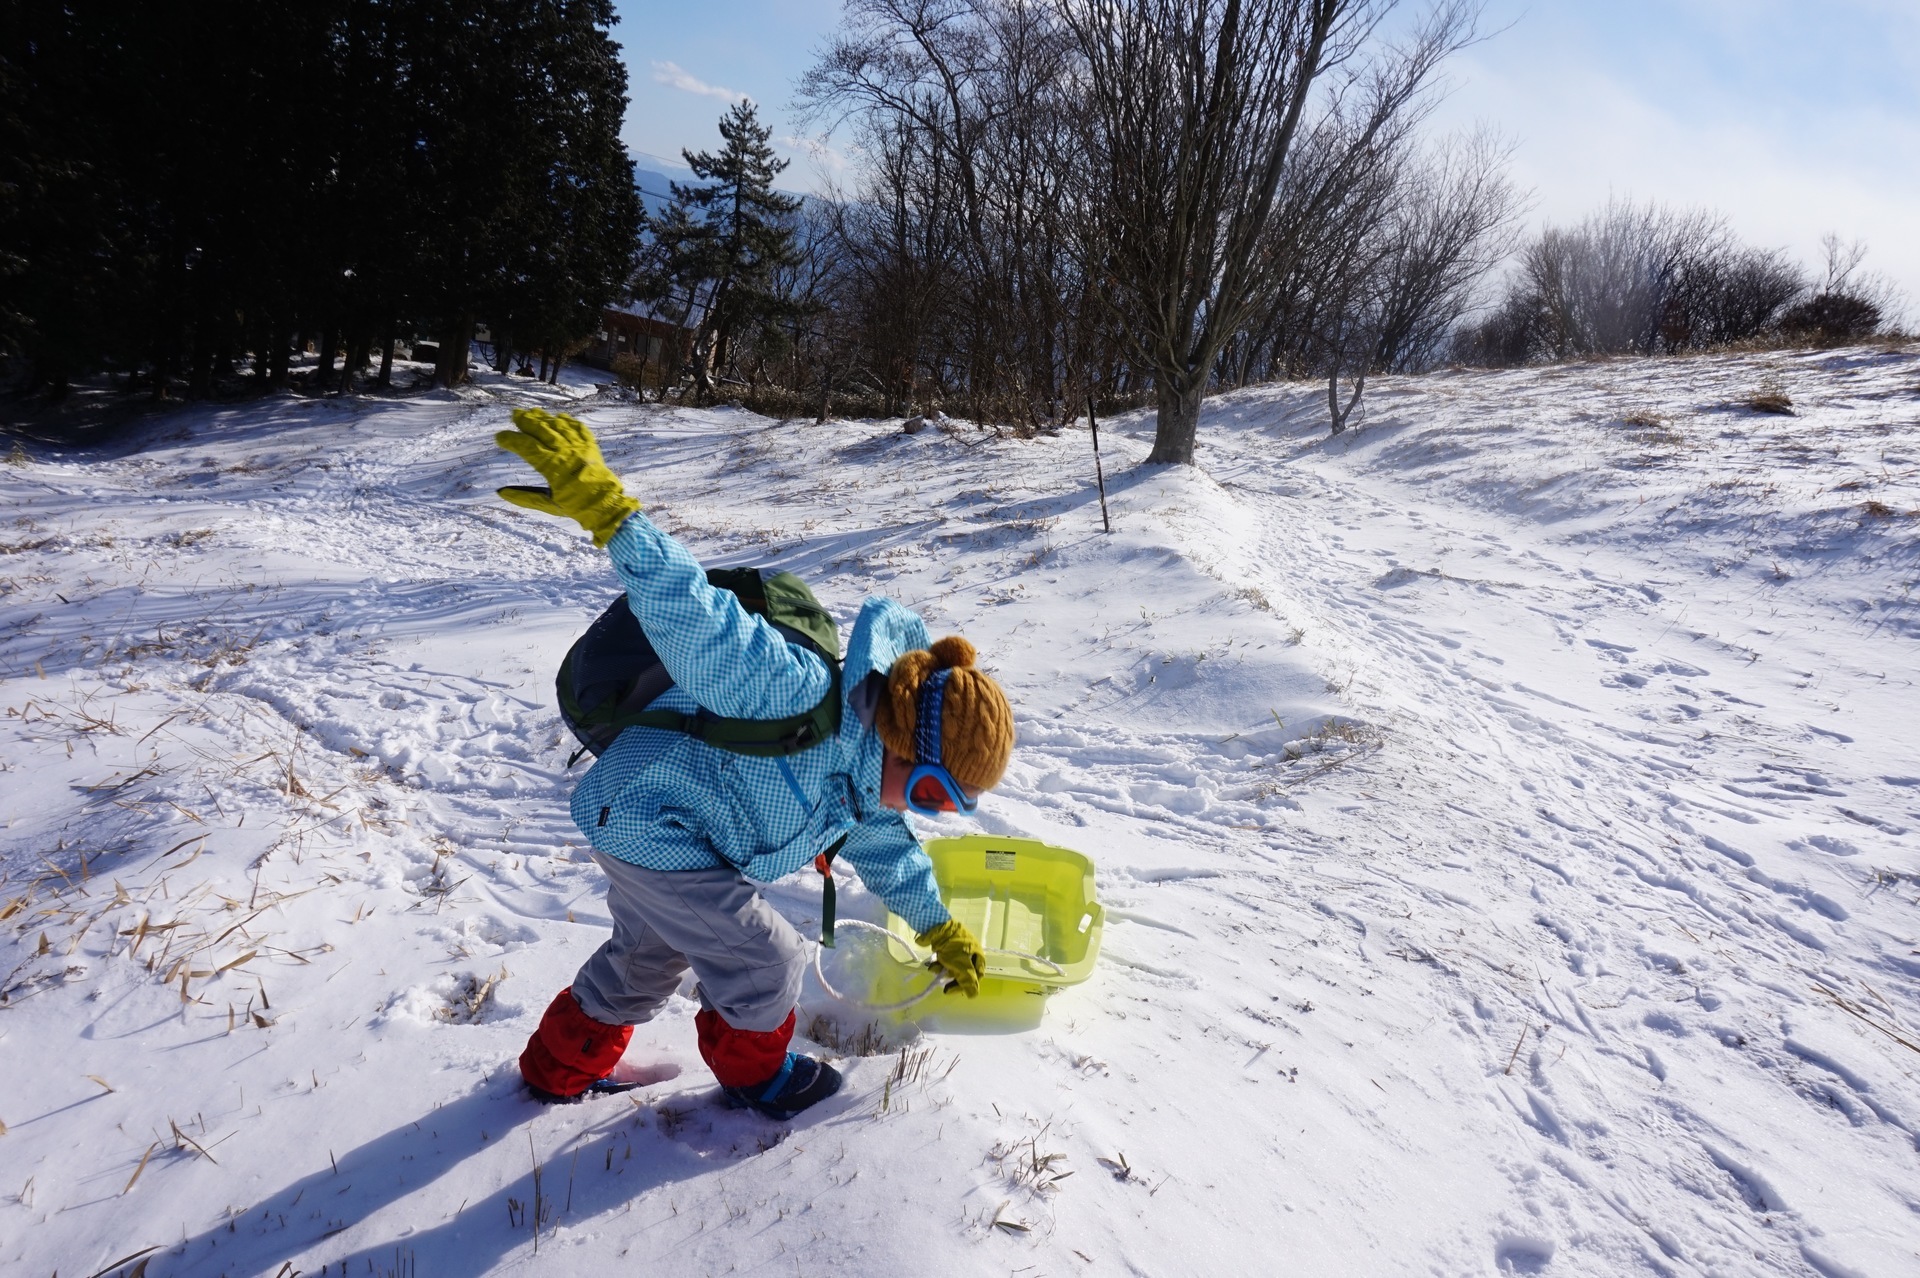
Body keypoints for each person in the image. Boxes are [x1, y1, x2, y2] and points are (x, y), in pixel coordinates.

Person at [494, 409, 1013, 1119]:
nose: (921, 809)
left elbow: (890, 853)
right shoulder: (795, 690)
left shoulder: (862, 785)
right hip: (655, 827)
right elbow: (699, 618)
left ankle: (555, 1073)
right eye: (930, 791)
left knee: (645, 962)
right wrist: (616, 519)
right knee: (767, 961)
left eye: (944, 807)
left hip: (651, 827)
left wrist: (938, 928)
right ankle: (754, 1078)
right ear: (900, 736)